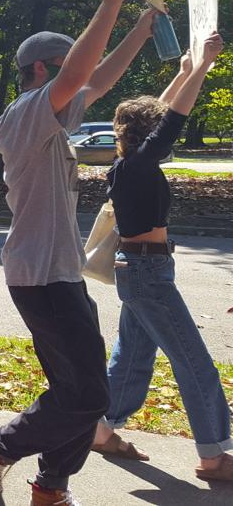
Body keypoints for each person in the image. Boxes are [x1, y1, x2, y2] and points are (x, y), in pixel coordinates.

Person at [0, 0, 154, 506]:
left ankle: (50, 487)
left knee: (83, 394)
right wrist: (110, 1)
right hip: (41, 278)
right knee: (89, 394)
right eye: (66, 66)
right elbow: (79, 75)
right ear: (42, 70)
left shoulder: (52, 115)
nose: (78, 76)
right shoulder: (22, 115)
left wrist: (139, 27)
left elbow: (97, 76)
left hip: (58, 276)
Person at [91, 31, 233, 480]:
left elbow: (162, 115)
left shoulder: (125, 165)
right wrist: (203, 68)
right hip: (147, 273)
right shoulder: (138, 166)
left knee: (132, 355)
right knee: (194, 364)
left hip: (141, 271)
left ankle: (100, 430)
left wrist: (184, 71)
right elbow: (172, 119)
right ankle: (213, 457)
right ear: (145, 134)